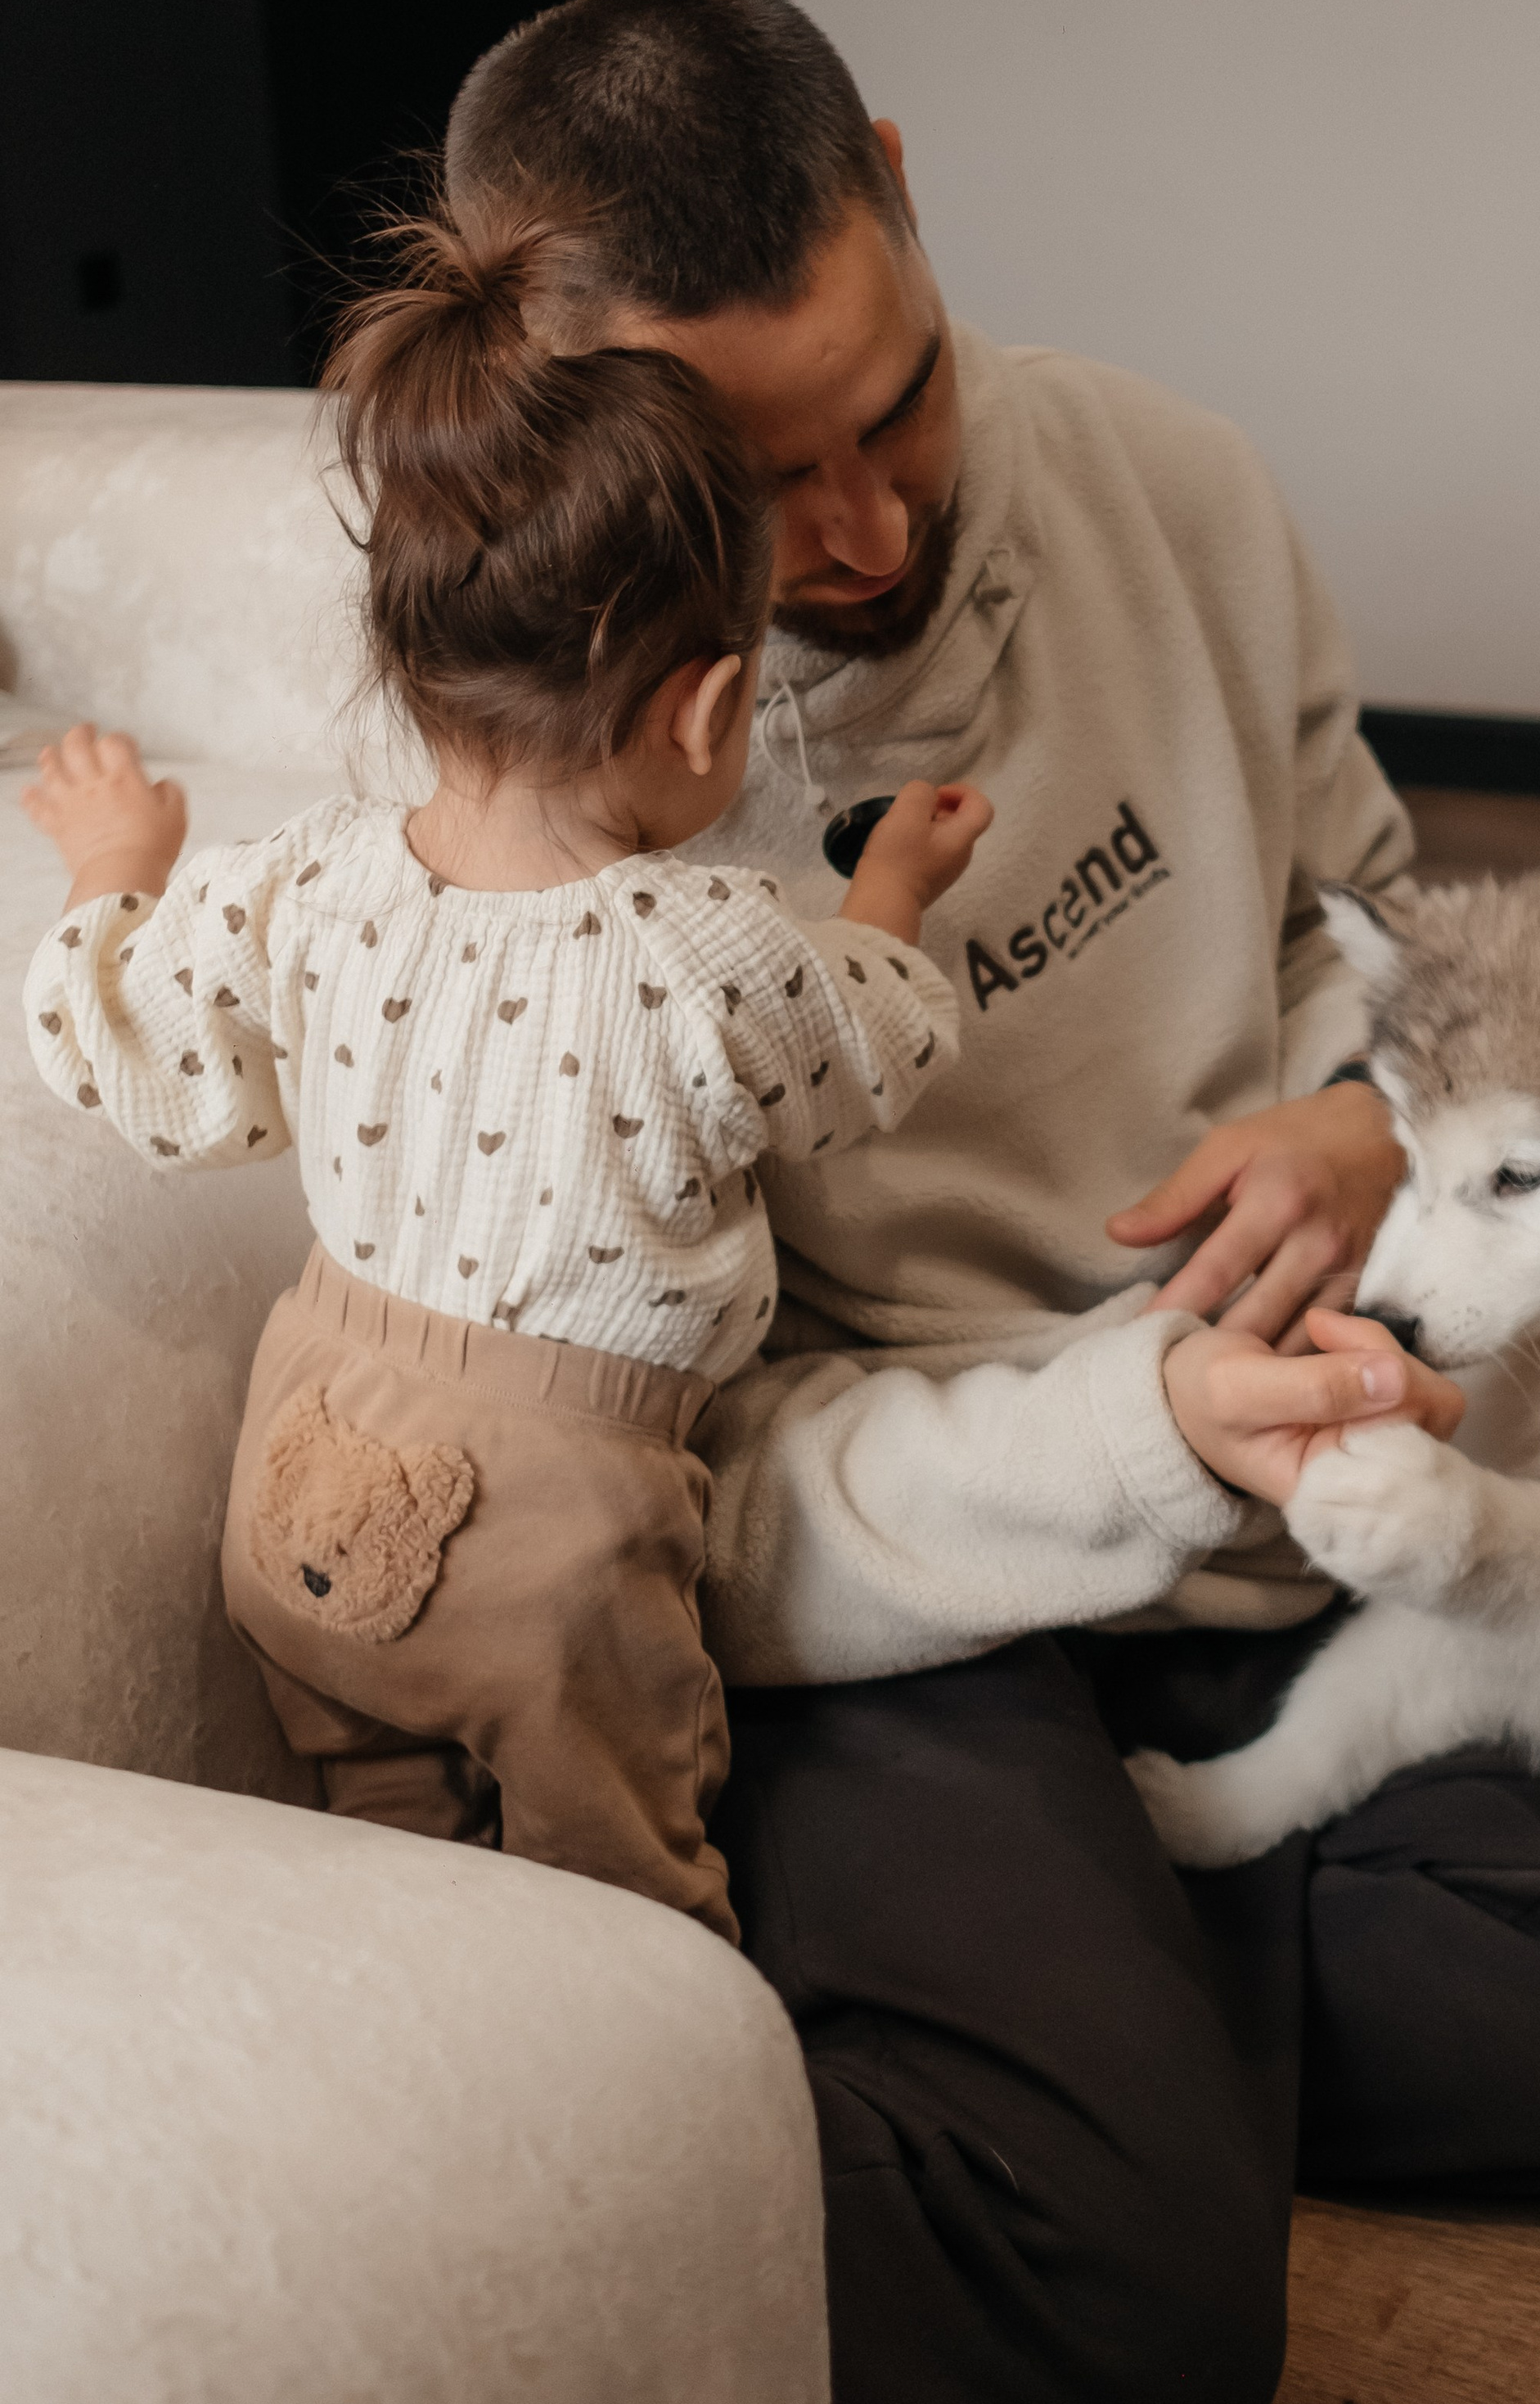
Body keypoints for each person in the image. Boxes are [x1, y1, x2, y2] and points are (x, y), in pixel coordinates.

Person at [373, 0, 1540, 2404]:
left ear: (909, 194)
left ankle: (1059, 2053)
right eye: (756, 478)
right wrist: (1132, 1434)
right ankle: (987, 2098)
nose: (863, 531)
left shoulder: (1169, 480)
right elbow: (682, 1483)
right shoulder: (550, 809)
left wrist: (1360, 1120)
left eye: (903, 403)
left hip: (1261, 1499)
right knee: (1109, 2367)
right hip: (882, 1594)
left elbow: (1356, 902)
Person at [21, 199, 988, 1937]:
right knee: (623, 1893)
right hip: (558, 1541)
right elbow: (876, 1047)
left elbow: (124, 1051)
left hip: (298, 1473)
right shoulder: (710, 950)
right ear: (703, 715)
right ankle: (656, 2090)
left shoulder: (302, 879)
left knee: (387, 1842)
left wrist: (112, 867)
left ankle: (414, 2004)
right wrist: (894, 889)